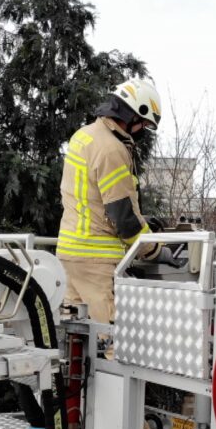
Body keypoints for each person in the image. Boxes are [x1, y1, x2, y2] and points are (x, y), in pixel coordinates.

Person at [57, 77, 168, 325]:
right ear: (134, 116)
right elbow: (123, 218)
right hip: (96, 261)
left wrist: (142, 220)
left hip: (69, 254)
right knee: (108, 342)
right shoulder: (112, 149)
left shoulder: (83, 136)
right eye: (144, 125)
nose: (141, 131)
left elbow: (91, 198)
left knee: (77, 336)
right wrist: (155, 250)